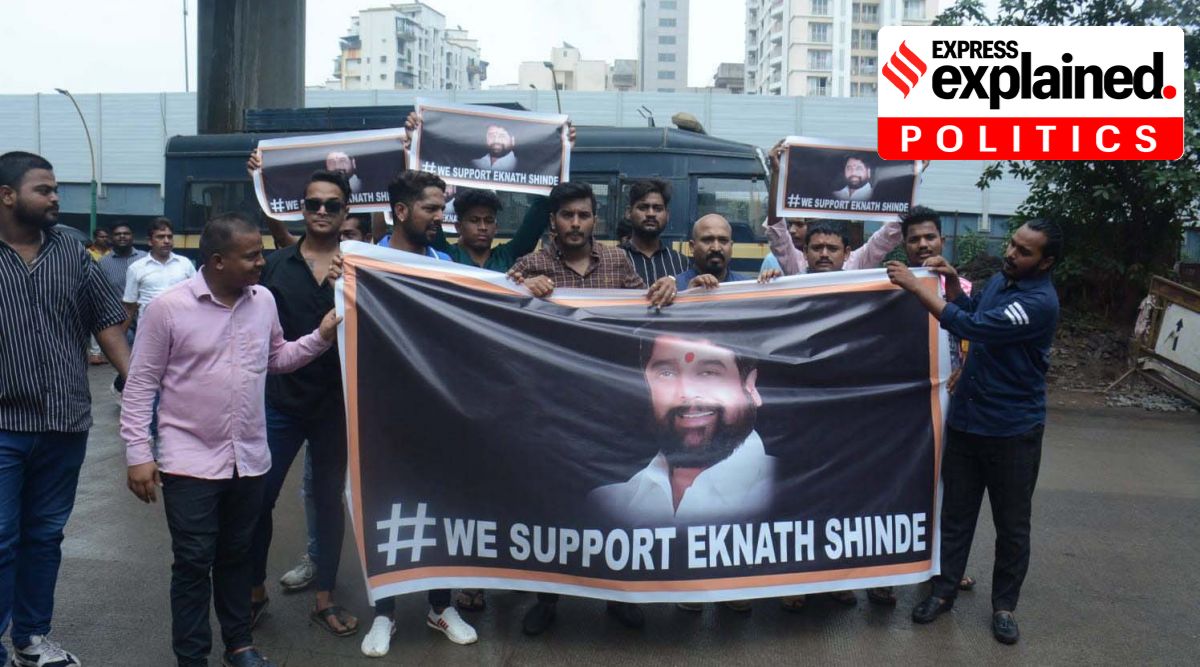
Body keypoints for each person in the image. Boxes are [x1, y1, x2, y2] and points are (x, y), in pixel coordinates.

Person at [123, 212, 339, 667]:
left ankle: (239, 645)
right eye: (252, 256)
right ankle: (192, 657)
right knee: (193, 563)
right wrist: (138, 453)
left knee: (237, 556)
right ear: (218, 261)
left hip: (249, 459)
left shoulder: (262, 301)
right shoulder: (169, 308)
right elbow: (141, 384)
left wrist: (320, 335)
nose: (262, 263)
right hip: (188, 461)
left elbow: (277, 357)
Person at [507, 181, 676, 638]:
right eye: (567, 216)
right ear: (553, 222)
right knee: (552, 506)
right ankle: (548, 597)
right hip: (552, 411)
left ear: (594, 219)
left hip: (609, 411)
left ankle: (616, 595)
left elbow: (648, 307)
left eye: (583, 215)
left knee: (610, 502)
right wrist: (520, 287)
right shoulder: (533, 263)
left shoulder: (617, 261)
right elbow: (495, 304)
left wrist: (666, 287)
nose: (575, 224)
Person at [887, 220, 1063, 645]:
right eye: (1012, 244)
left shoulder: (1039, 302)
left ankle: (1004, 606)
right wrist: (949, 283)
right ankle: (943, 591)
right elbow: (968, 310)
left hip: (1013, 429)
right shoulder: (1002, 281)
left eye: (1024, 252)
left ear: (1046, 262)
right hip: (968, 420)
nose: (1011, 253)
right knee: (957, 514)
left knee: (1012, 524)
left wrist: (916, 286)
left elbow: (972, 328)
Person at [0, 151, 131, 667]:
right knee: (1, 538)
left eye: (56, 189)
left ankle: (31, 639)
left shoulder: (73, 253)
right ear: (7, 195)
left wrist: (139, 387)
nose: (55, 198)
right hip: (4, 426)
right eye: (44, 189)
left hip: (65, 423)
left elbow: (107, 321)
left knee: (45, 536)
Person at [355, 170, 478, 656]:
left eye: (441, 207)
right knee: (386, 508)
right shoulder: (363, 263)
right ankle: (384, 612)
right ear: (402, 211)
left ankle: (440, 606)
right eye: (431, 207)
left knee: (441, 507)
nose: (440, 216)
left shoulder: (446, 262)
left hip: (437, 411)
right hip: (382, 411)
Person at [249, 171, 359, 642]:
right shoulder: (274, 266)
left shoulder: (361, 267)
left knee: (328, 503)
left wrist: (351, 281)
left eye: (331, 205)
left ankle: (325, 599)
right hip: (280, 404)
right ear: (300, 209)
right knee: (258, 499)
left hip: (337, 406)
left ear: (345, 213)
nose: (320, 211)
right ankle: (253, 592)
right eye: (312, 204)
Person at [589, 330, 774, 523]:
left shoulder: (792, 485)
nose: (686, 394)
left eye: (708, 372)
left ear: (750, 387)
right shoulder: (610, 505)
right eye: (666, 373)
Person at [763, 141, 900, 275]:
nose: (824, 254)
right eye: (817, 248)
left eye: (832, 249)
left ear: (846, 253)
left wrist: (913, 177)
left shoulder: (856, 265)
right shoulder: (796, 266)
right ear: (805, 252)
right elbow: (777, 231)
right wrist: (777, 174)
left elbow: (888, 235)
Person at [122, 218, 196, 330]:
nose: (166, 241)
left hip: (182, 329)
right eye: (160, 237)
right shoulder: (136, 268)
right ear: (150, 241)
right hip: (150, 330)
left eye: (170, 236)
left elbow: (196, 296)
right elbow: (129, 307)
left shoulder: (185, 263)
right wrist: (120, 338)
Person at [619, 179, 689, 284]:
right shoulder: (613, 260)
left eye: (658, 209)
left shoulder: (680, 262)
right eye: (643, 207)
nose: (651, 214)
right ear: (629, 213)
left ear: (667, 215)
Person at [674, 214, 752, 290]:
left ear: (731, 246)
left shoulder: (746, 287)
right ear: (692, 246)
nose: (716, 248)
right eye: (707, 240)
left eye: (723, 240)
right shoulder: (674, 289)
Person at [99, 222, 147, 305]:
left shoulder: (145, 258)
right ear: (111, 238)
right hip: (116, 316)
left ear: (132, 236)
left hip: (143, 314)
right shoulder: (103, 263)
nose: (122, 236)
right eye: (117, 234)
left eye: (126, 233)